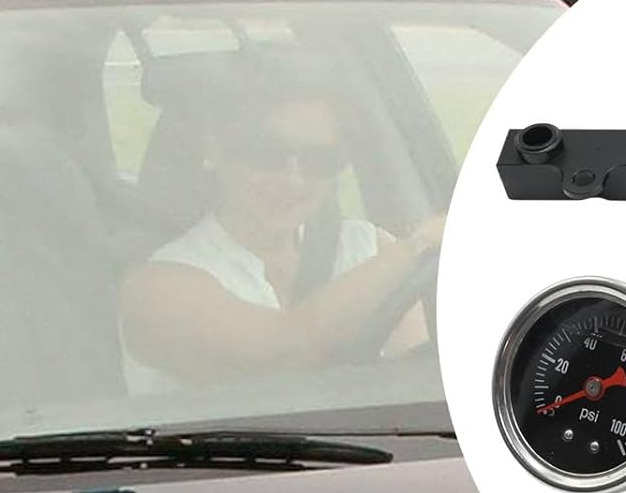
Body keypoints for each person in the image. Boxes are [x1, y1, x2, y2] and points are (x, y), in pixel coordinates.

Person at [119, 61, 443, 393]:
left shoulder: (370, 249)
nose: (293, 179)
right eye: (268, 153)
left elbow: (413, 381)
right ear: (214, 148)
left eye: (319, 159)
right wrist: (416, 246)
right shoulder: (155, 288)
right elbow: (282, 355)